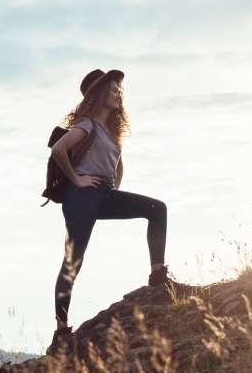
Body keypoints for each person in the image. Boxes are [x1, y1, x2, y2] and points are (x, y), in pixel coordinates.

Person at [48, 69, 172, 355]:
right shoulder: (87, 124)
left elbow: (118, 163)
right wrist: (77, 179)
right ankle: (61, 331)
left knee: (157, 209)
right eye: (112, 89)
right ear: (98, 94)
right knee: (73, 261)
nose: (118, 93)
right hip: (81, 197)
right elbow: (58, 149)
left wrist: (114, 187)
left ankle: (158, 277)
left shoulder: (111, 131)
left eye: (119, 90)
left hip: (103, 194)